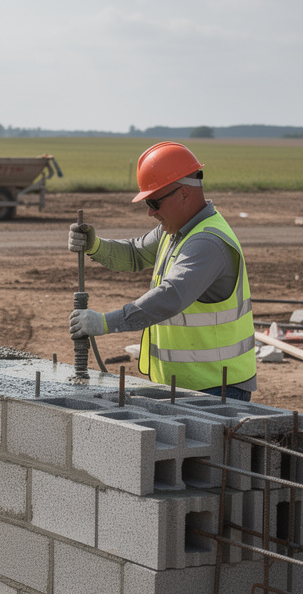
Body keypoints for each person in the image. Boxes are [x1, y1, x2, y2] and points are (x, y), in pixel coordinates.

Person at [68, 142, 256, 400]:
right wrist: (95, 245)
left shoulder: (207, 242)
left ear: (184, 194)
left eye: (155, 202)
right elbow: (135, 253)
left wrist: (105, 322)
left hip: (217, 389)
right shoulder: (176, 230)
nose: (150, 212)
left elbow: (170, 297)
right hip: (188, 385)